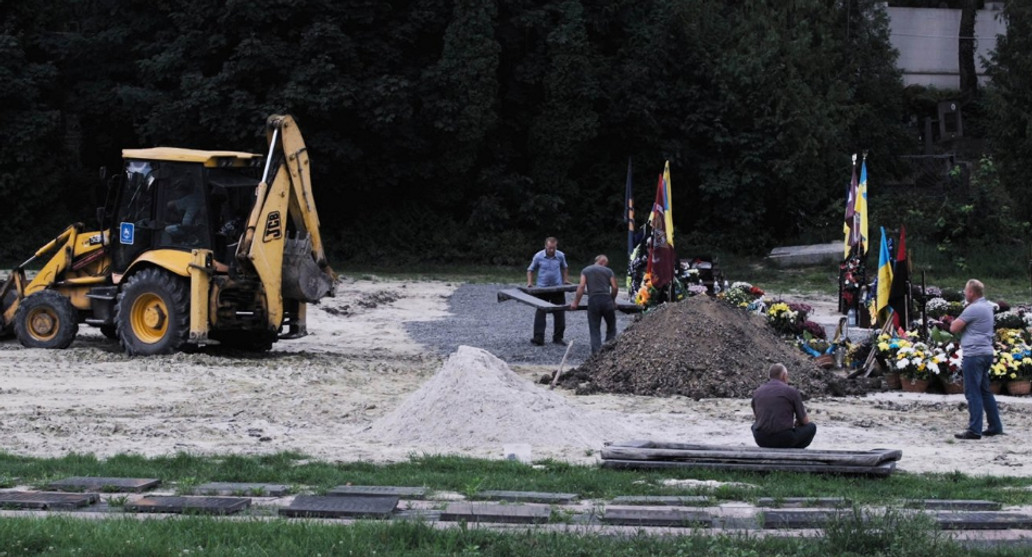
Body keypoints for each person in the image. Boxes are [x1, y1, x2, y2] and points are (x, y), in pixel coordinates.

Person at [950, 279, 1004, 440]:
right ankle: (995, 426)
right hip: (986, 352)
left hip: (974, 354)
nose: (964, 293)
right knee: (984, 391)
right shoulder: (987, 306)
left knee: (972, 392)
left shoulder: (973, 309)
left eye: (966, 291)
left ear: (972, 293)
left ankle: (974, 429)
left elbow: (953, 327)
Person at [751, 363, 817, 449]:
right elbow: (805, 421)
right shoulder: (791, 391)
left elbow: (758, 418)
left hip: (761, 439)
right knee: (811, 427)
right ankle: (794, 451)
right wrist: (797, 423)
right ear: (784, 376)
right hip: (784, 439)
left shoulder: (757, 392)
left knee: (754, 426)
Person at [571, 255, 619, 354]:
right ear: (603, 262)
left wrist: (575, 303)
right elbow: (614, 287)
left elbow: (581, 286)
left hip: (593, 300)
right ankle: (609, 351)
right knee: (611, 326)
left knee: (595, 329)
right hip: (607, 300)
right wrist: (613, 300)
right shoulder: (609, 271)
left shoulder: (586, 271)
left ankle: (596, 355)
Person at [526, 237, 569, 346]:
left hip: (557, 288)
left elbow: (565, 267)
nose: (551, 250)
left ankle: (558, 338)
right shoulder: (538, 256)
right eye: (550, 248)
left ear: (556, 247)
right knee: (540, 312)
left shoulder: (560, 255)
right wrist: (530, 283)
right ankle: (538, 337)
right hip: (542, 288)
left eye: (553, 248)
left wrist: (565, 280)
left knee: (559, 312)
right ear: (546, 246)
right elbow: (530, 270)